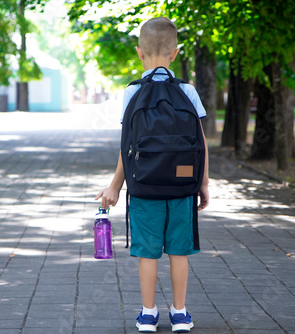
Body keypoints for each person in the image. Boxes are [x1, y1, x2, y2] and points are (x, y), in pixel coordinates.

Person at [95, 17, 210, 333]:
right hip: (182, 186)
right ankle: (180, 313)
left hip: (144, 186)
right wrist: (202, 185)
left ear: (138, 52)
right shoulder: (187, 90)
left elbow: (126, 146)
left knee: (147, 252)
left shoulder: (132, 93)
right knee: (179, 251)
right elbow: (200, 144)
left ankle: (148, 313)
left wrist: (114, 187)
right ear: (175, 54)